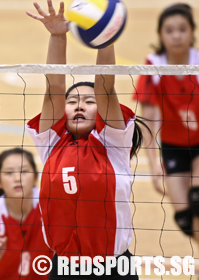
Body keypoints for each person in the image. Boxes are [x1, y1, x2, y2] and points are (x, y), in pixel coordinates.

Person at [25, 1, 148, 279]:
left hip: (114, 268)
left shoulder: (113, 143)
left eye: (88, 101)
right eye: (72, 101)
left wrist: (105, 37)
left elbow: (105, 86)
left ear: (101, 109)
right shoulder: (50, 143)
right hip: (63, 268)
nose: (79, 105)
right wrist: (57, 35)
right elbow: (54, 87)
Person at [133, 3, 199, 239]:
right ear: (160, 35)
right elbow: (148, 123)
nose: (177, 35)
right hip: (173, 147)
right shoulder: (154, 66)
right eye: (170, 30)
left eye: (183, 29)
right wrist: (154, 166)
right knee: (184, 219)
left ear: (192, 31)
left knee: (198, 198)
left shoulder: (198, 63)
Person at [0, 148, 52, 279]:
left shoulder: (50, 206)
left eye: (24, 171)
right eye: (9, 173)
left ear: (35, 177)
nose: (17, 178)